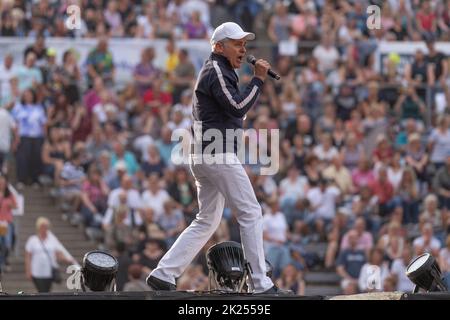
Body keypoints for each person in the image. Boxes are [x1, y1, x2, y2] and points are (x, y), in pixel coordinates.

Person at [147, 22, 287, 294]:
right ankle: (260, 283)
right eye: (237, 43)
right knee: (250, 212)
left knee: (207, 219)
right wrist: (257, 79)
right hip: (216, 152)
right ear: (218, 47)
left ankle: (164, 274)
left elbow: (234, 109)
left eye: (244, 44)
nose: (243, 48)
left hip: (207, 153)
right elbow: (237, 107)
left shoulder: (221, 71)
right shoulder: (216, 70)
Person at [24, 217, 75, 292]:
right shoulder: (32, 240)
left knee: (47, 291)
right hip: (37, 272)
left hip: (49, 272)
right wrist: (28, 271)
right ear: (38, 227)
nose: (44, 229)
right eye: (42, 226)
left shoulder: (52, 239)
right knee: (42, 291)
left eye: (46, 227)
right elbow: (28, 257)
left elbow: (58, 254)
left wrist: (67, 259)